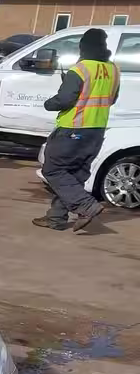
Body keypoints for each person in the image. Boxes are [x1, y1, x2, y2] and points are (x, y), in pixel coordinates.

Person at [34, 28, 120, 232]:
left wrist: (49, 103)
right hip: (96, 130)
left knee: (53, 170)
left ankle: (86, 206)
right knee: (74, 174)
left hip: (73, 128)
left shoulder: (80, 69)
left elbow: (64, 100)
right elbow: (112, 99)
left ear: (83, 47)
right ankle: (56, 218)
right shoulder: (113, 70)